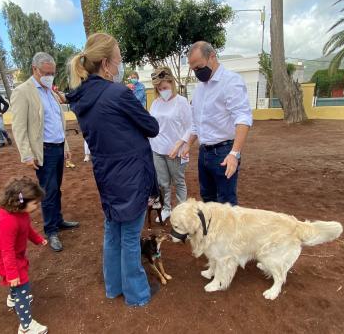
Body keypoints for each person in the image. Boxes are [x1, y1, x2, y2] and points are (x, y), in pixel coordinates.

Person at [67, 33, 160, 307]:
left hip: (106, 173)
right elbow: (151, 127)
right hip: (131, 174)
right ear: (106, 64)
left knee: (113, 231)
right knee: (130, 235)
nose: (120, 66)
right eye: (118, 61)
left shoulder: (80, 97)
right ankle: (137, 294)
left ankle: (114, 287)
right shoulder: (118, 93)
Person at [11, 52, 79, 252]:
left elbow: (57, 122)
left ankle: (57, 221)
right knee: (48, 192)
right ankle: (51, 230)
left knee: (56, 188)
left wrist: (65, 147)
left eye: (52, 73)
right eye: (46, 72)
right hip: (44, 151)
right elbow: (19, 127)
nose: (50, 76)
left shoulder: (50, 91)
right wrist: (26, 154)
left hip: (58, 147)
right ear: (35, 70)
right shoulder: (23, 92)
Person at [183, 41, 253, 205]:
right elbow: (197, 122)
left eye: (199, 67)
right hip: (204, 153)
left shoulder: (231, 82)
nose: (197, 72)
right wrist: (188, 143)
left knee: (226, 204)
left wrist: (234, 154)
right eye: (193, 69)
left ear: (212, 57)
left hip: (224, 152)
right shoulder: (200, 88)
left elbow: (243, 119)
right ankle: (211, 232)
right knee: (207, 200)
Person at [0, 177, 48, 334]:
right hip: (6, 259)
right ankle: (26, 326)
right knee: (21, 285)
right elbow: (7, 249)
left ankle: (12, 299)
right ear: (21, 202)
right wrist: (12, 272)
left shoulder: (21, 213)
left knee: (17, 285)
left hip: (13, 256)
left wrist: (38, 240)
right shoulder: (8, 221)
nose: (38, 206)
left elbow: (27, 229)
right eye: (35, 203)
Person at [149, 66, 192, 222]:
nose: (162, 90)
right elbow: (151, 125)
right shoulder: (155, 103)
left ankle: (182, 213)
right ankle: (167, 208)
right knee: (163, 183)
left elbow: (190, 126)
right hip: (157, 149)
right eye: (159, 89)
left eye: (165, 87)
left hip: (175, 150)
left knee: (178, 181)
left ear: (172, 83)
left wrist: (180, 144)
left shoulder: (182, 102)